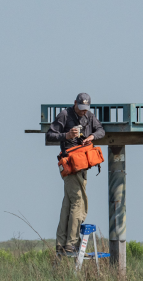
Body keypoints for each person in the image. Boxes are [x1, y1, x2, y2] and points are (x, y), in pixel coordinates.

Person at [46, 93, 105, 255]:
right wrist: (67, 135)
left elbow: (101, 130)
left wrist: (92, 136)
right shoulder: (64, 115)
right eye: (80, 108)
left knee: (69, 203)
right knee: (79, 202)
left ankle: (62, 244)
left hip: (83, 164)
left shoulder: (89, 116)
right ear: (75, 103)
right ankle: (71, 244)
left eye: (86, 109)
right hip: (71, 165)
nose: (83, 112)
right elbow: (50, 135)